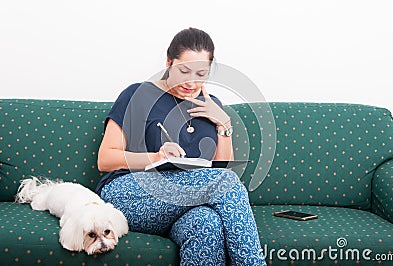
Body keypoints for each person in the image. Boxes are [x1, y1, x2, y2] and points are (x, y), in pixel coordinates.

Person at [95, 27, 266, 265]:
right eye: (184, 71)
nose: (191, 81)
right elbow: (105, 159)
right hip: (129, 195)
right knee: (224, 185)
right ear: (168, 62)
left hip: (186, 205)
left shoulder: (211, 105)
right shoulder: (139, 94)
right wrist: (156, 157)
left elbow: (221, 170)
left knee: (207, 224)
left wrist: (223, 124)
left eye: (201, 73)